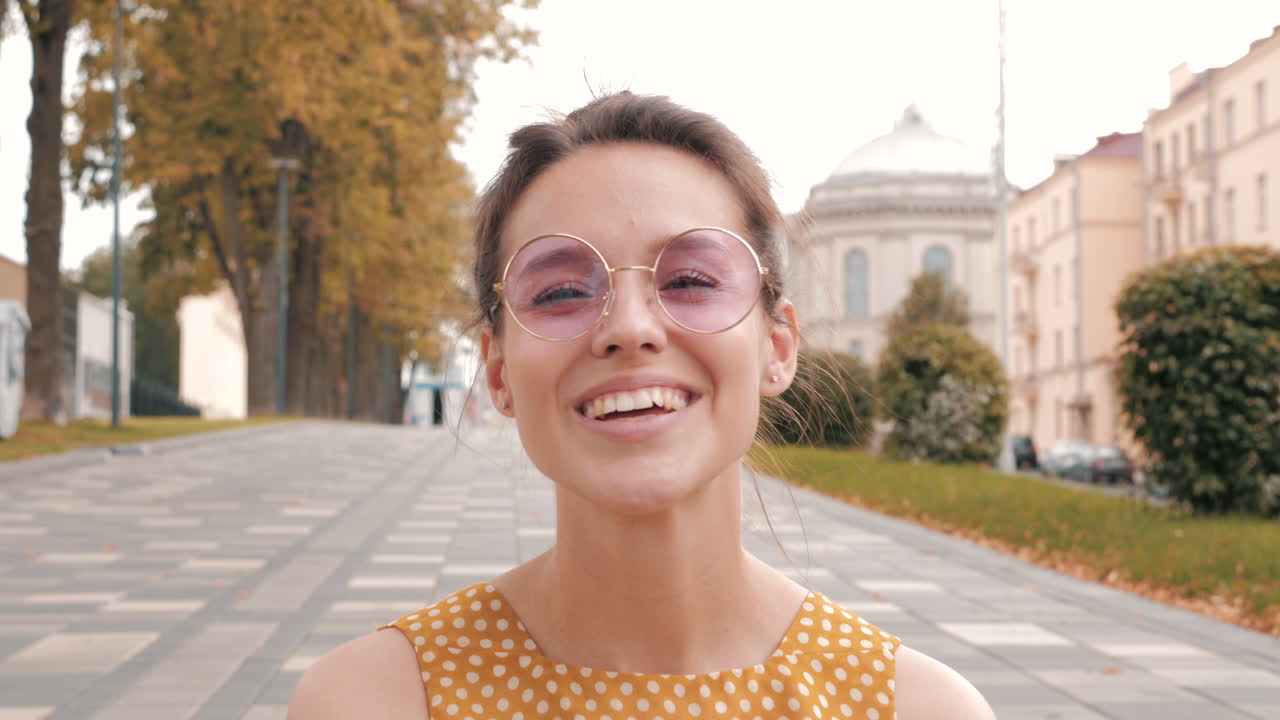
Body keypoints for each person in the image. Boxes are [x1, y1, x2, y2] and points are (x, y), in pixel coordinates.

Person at [289, 92, 995, 720]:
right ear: (498, 370)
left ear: (778, 347)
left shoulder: (915, 707)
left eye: (690, 279)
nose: (629, 327)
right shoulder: (372, 700)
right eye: (562, 291)